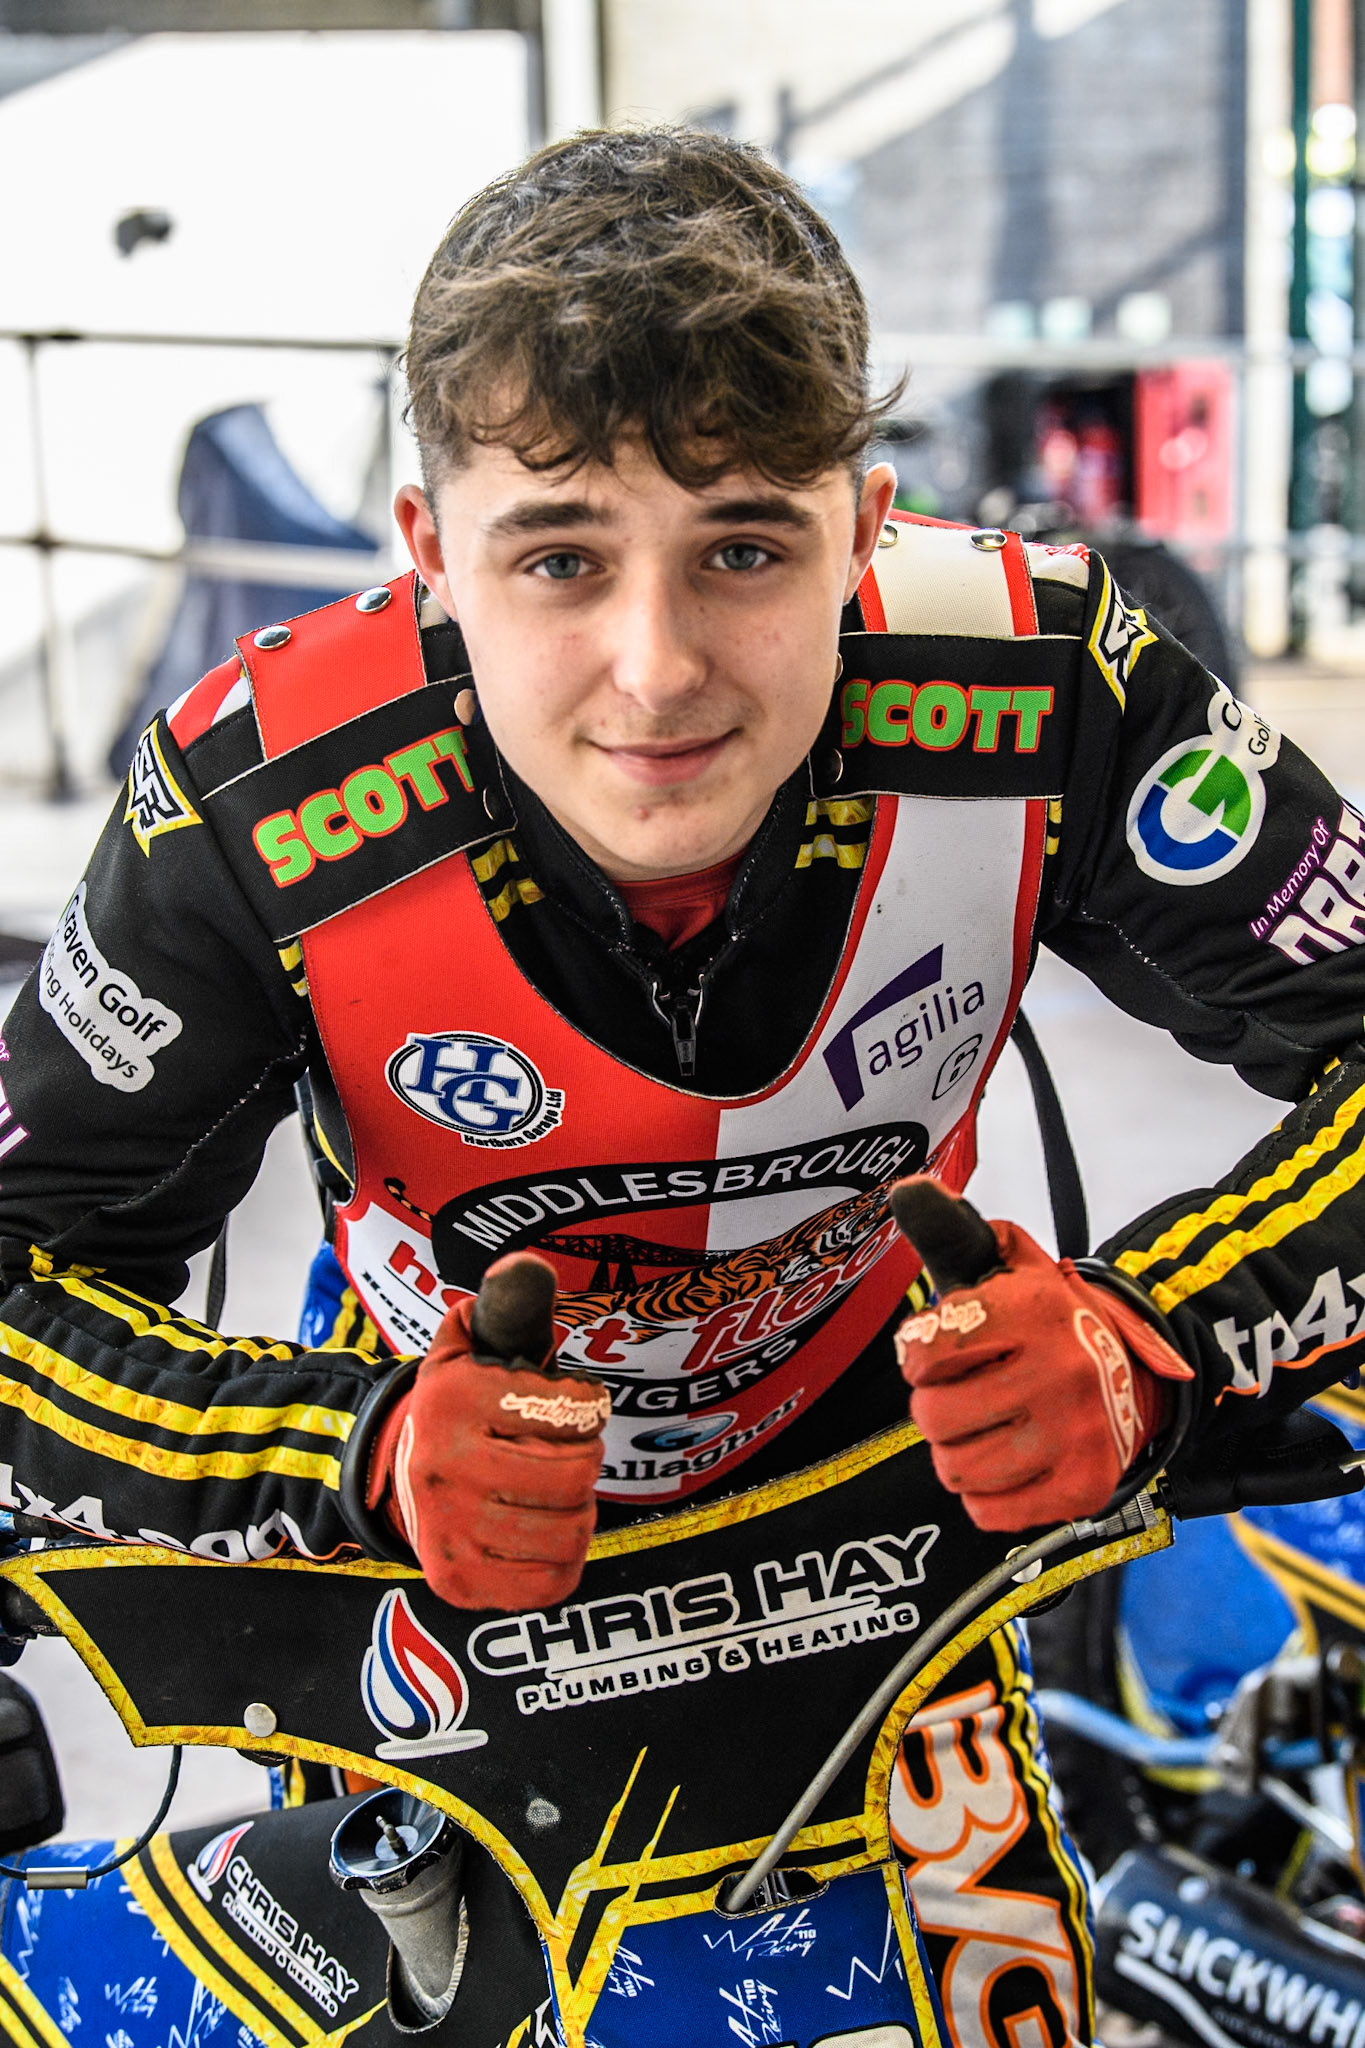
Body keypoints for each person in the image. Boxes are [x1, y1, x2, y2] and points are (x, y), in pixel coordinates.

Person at [2, 125, 1363, 2048]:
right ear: (429, 558)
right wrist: (346, 1454)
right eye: (559, 556)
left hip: (904, 1460)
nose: (653, 671)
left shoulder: (1052, 682)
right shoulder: (250, 808)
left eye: (743, 545)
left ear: (867, 526)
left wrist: (1162, 1337)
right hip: (454, 1511)